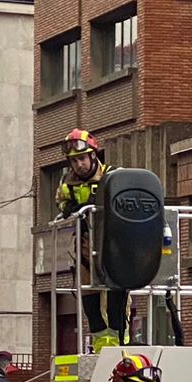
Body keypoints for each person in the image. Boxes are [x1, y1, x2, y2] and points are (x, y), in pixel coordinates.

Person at [53, 129, 129, 351]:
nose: (79, 165)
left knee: (117, 297)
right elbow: (61, 202)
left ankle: (120, 341)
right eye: (74, 161)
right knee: (90, 297)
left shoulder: (113, 176)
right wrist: (67, 208)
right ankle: (100, 344)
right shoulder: (68, 184)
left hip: (115, 248)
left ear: (93, 156)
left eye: (82, 158)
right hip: (86, 247)